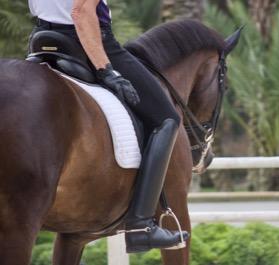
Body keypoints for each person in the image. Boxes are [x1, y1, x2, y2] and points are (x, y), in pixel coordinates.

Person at [28, 0, 189, 253]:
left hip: (41, 41)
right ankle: (141, 225)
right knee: (167, 119)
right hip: (88, 42)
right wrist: (106, 70)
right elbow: (81, 12)